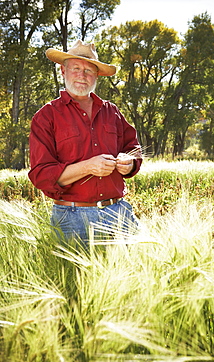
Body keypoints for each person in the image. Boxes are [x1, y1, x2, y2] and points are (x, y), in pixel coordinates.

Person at [28, 39, 142, 248]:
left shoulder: (112, 111)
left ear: (97, 75)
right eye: (76, 68)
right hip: (71, 218)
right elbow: (41, 175)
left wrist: (129, 162)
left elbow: (133, 149)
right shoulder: (46, 117)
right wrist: (88, 167)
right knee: (73, 280)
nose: (82, 75)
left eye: (89, 70)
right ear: (63, 70)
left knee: (139, 275)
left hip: (118, 213)